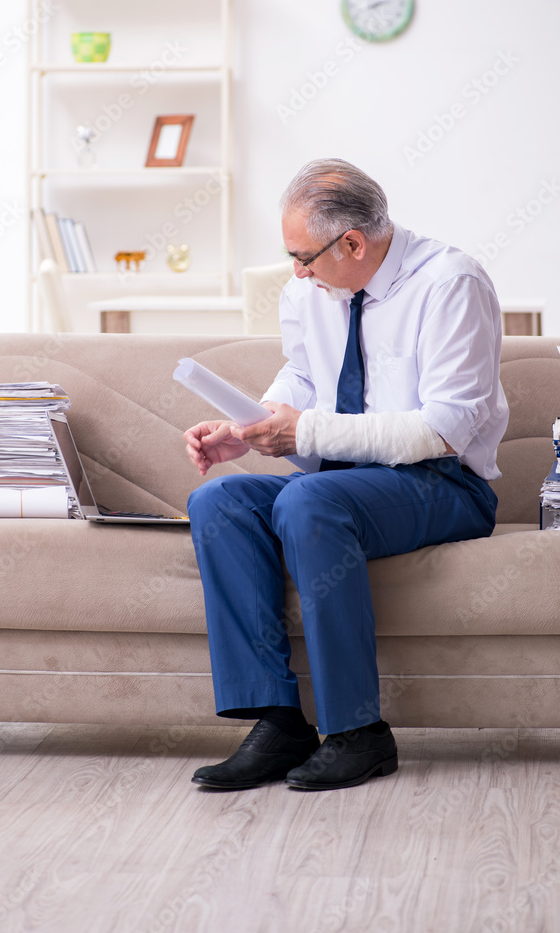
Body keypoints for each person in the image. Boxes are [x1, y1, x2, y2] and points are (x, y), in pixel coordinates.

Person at [183, 159, 509, 791]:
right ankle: (280, 722)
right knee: (220, 499)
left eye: (303, 257)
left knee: (310, 504)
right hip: (342, 481)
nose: (296, 272)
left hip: (443, 483)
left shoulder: (450, 283)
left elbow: (440, 431)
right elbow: (302, 381)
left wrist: (300, 433)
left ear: (353, 243)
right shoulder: (308, 292)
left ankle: (359, 733)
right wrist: (249, 429)